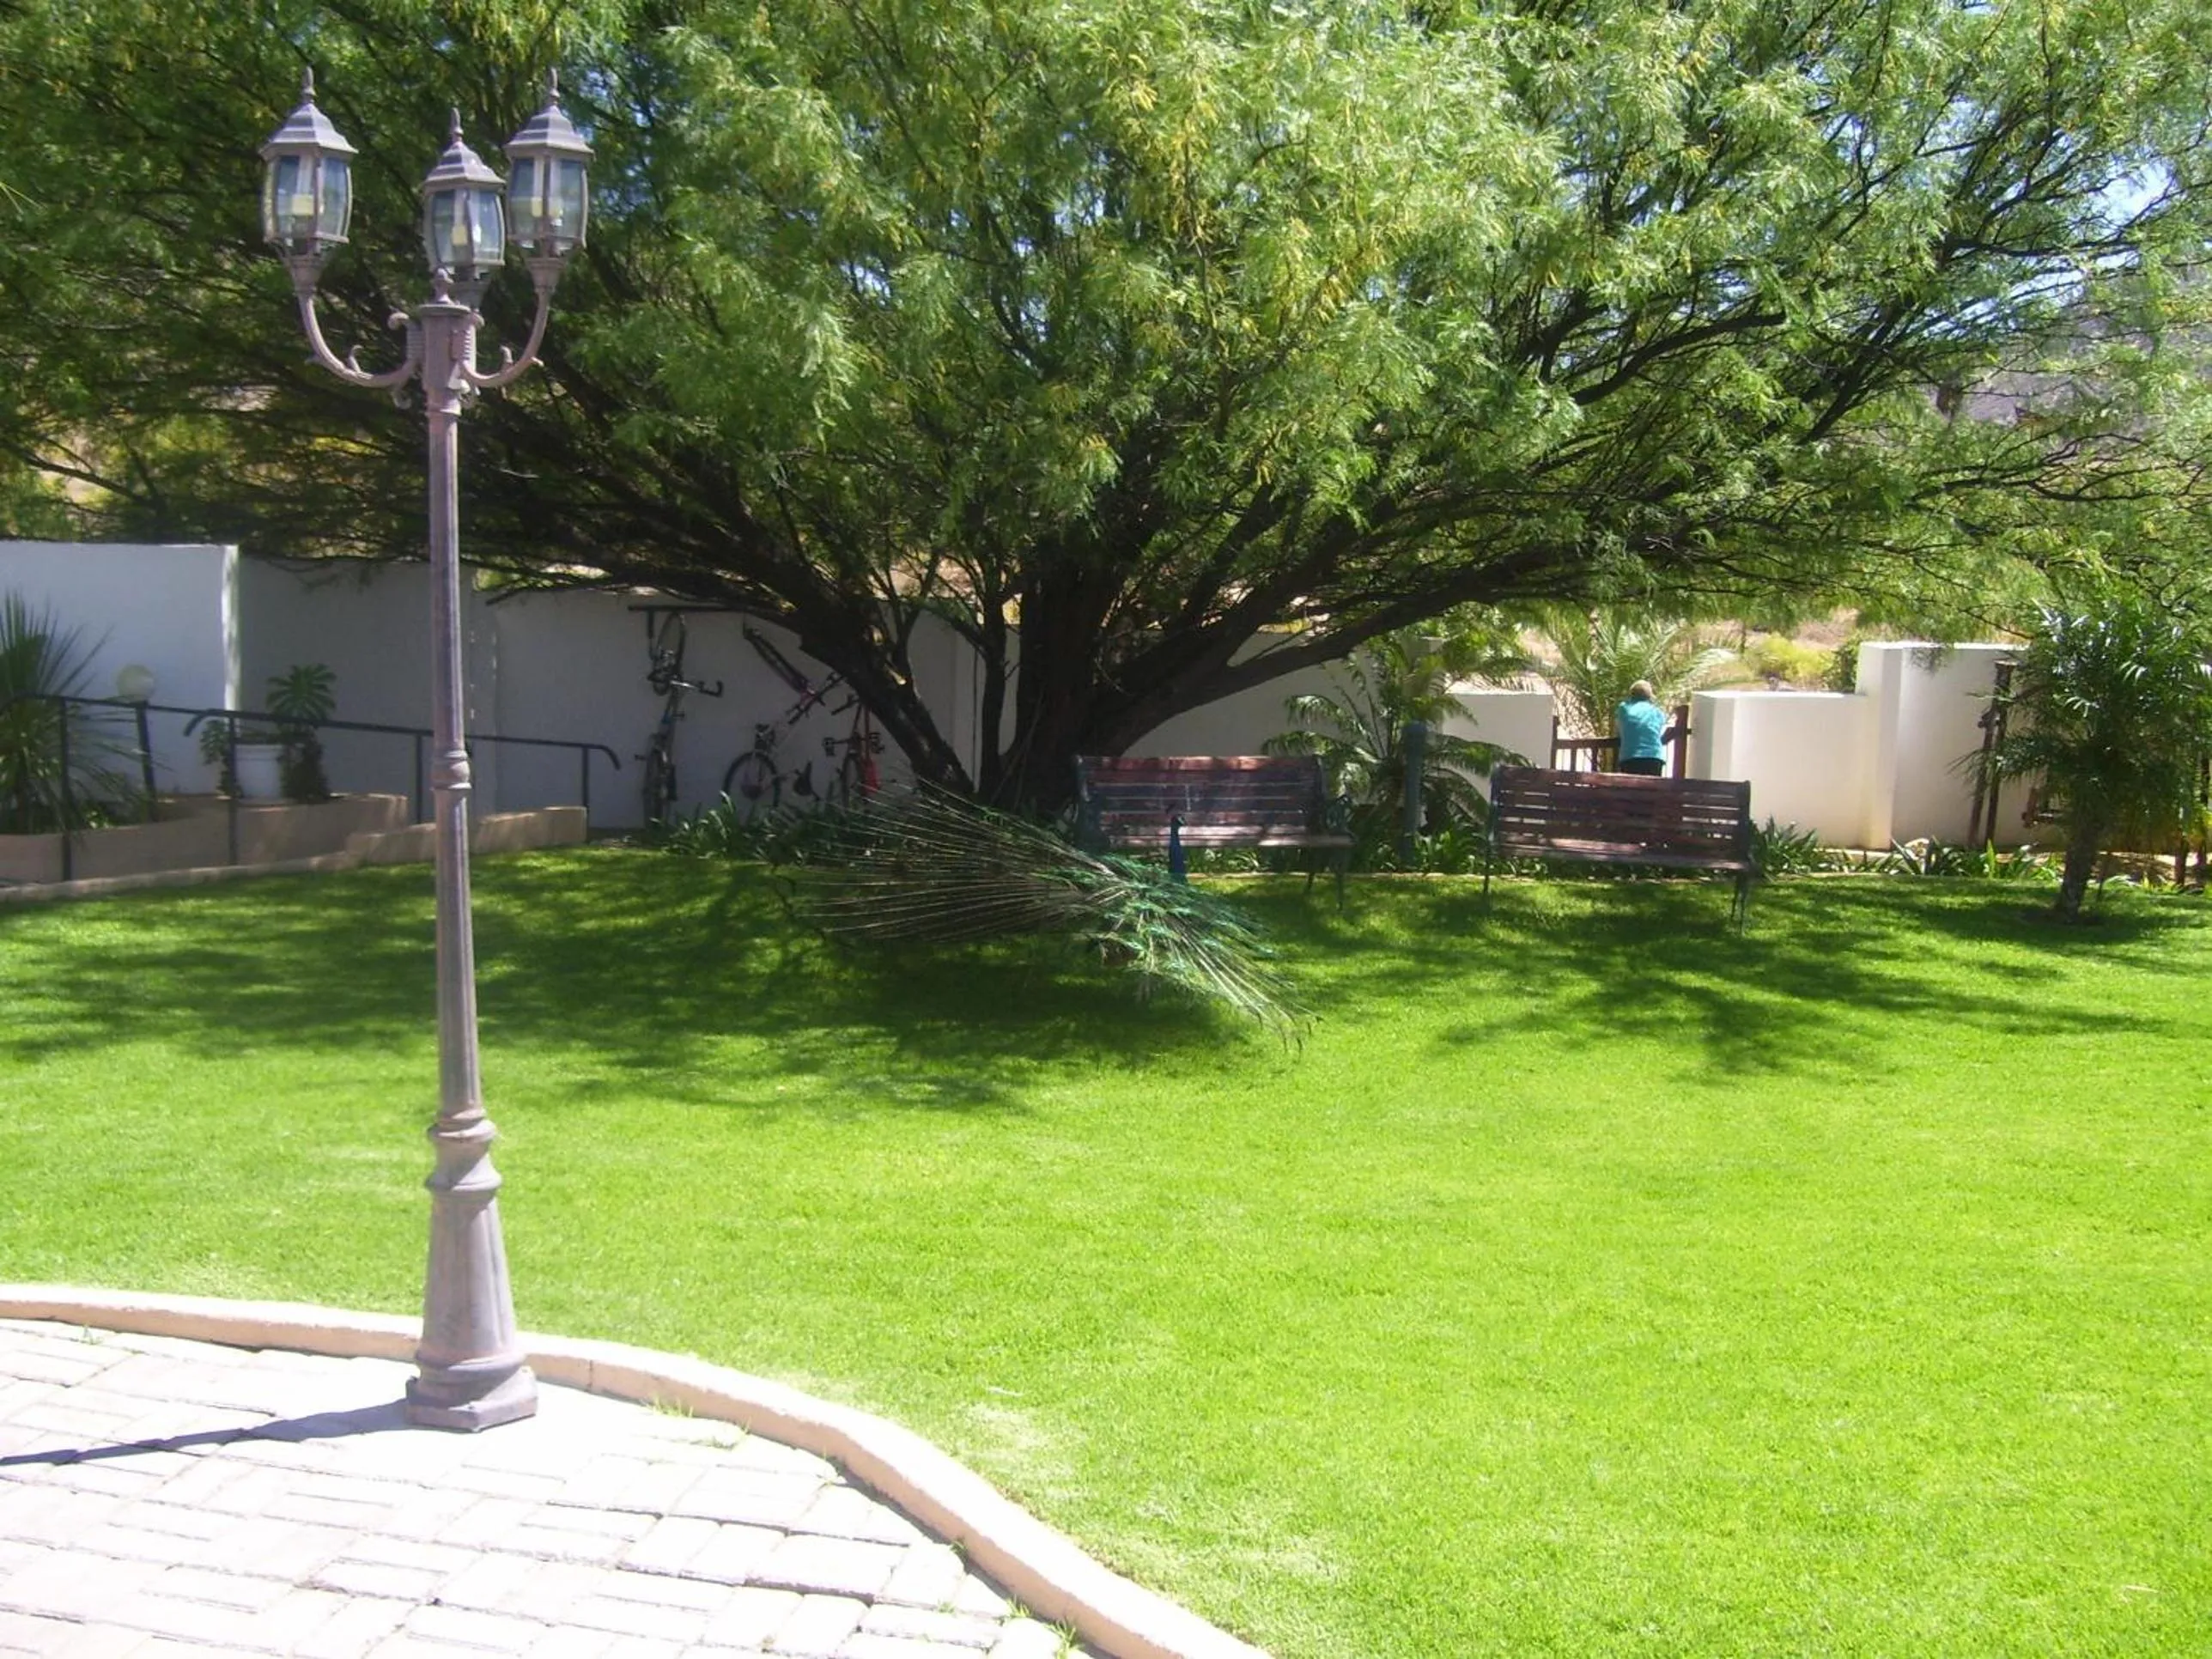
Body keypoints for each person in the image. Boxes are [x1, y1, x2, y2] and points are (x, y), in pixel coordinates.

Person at [1613, 680, 1669, 775]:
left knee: (1631, 789)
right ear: (1649, 696)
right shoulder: (1657, 712)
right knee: (1652, 789)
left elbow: (1619, 728)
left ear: (1631, 694)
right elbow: (1659, 731)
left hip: (1630, 757)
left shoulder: (1624, 708)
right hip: (1654, 757)